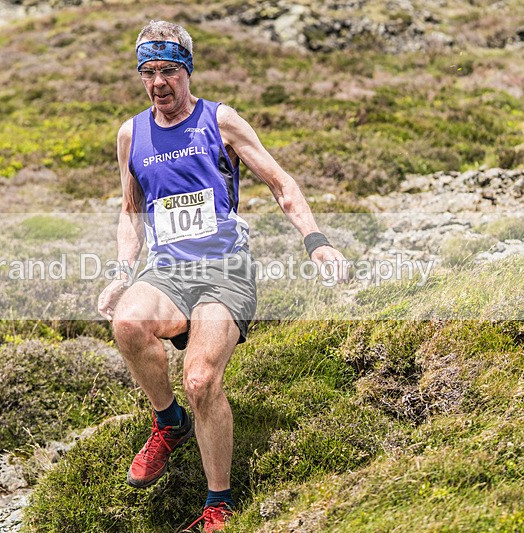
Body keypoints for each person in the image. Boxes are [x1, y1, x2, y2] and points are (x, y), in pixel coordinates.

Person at [97, 20, 347, 532]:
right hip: (166, 270)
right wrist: (122, 271)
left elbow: (281, 184)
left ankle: (218, 504)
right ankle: (169, 423)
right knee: (126, 323)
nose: (158, 83)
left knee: (201, 378)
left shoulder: (220, 120)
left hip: (223, 272)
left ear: (187, 71)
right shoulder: (132, 133)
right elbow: (131, 209)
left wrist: (316, 242)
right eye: (148, 72)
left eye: (168, 70)